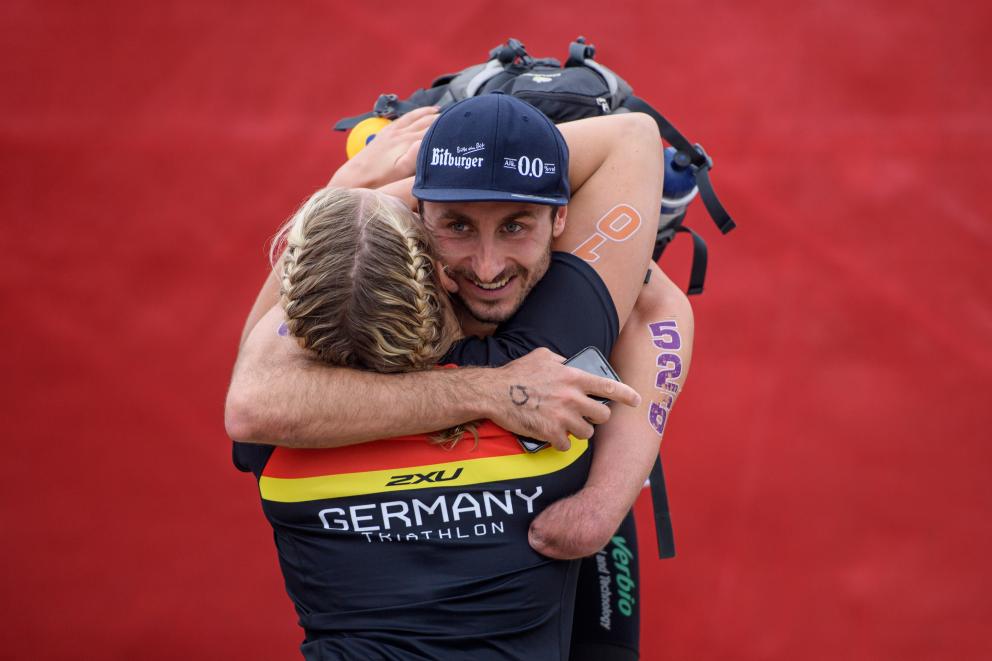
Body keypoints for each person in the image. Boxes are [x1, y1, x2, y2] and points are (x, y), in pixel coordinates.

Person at [228, 95, 693, 659]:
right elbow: (653, 288)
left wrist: (356, 193)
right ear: (430, 262)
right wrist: (598, 504)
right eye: (457, 227)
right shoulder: (538, 363)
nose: (488, 267)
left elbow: (253, 390)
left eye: (515, 226)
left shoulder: (284, 428)